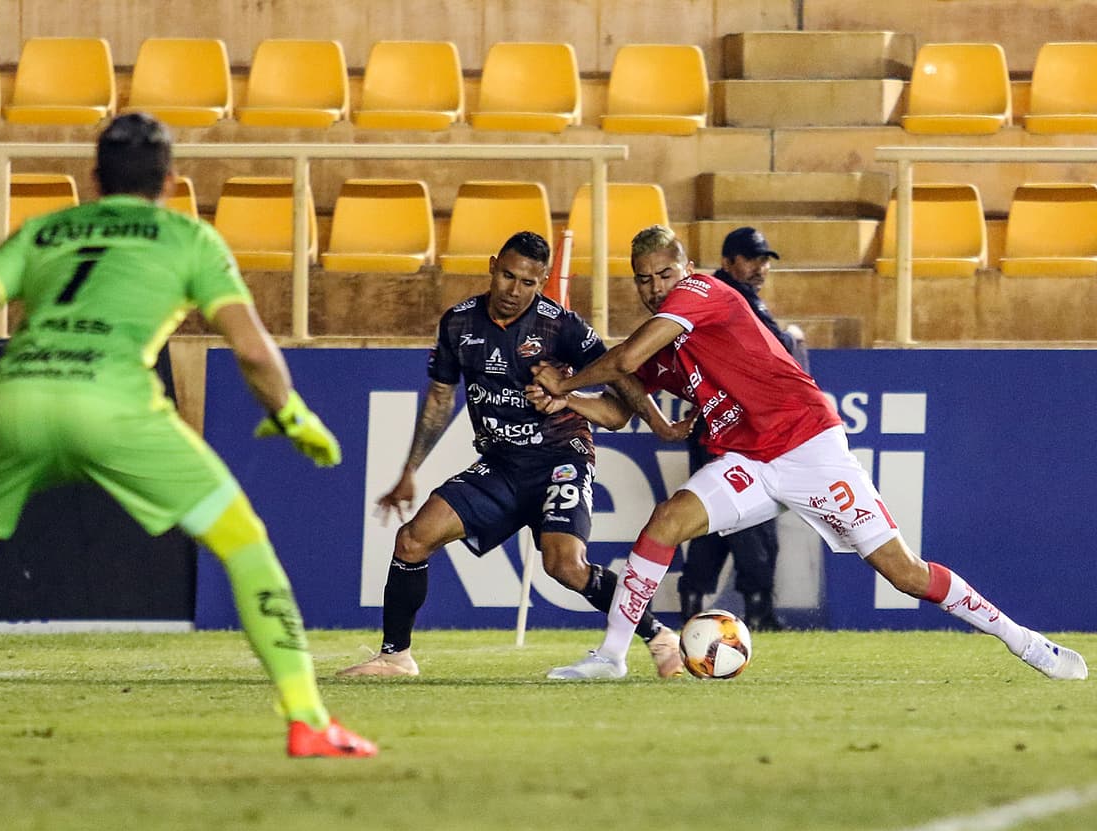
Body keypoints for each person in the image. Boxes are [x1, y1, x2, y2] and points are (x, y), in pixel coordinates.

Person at [0, 113, 377, 758]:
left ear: (94, 177)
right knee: (242, 540)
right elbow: (253, 352)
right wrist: (290, 415)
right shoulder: (189, 238)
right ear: (171, 180)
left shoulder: (47, 230)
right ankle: (308, 720)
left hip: (18, 397)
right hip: (113, 406)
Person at [535, 224, 1088, 681]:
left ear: (685, 268)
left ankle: (1028, 643)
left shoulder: (701, 292)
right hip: (749, 461)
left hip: (808, 447)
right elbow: (618, 405)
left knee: (904, 573)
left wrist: (565, 383)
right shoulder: (665, 340)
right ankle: (611, 656)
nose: (655, 287)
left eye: (664, 273)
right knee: (666, 521)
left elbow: (626, 357)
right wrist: (567, 396)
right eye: (643, 280)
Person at [337, 231, 684, 679]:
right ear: (491, 266)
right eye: (507, 276)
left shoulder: (563, 326)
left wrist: (648, 420)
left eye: (527, 283)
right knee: (411, 539)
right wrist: (410, 470)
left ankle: (659, 635)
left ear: (541, 283)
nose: (513, 291)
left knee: (565, 566)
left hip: (561, 457)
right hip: (500, 465)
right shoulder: (458, 323)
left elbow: (620, 383)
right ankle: (395, 656)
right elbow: (441, 398)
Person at [678, 227, 806, 631]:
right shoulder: (727, 297)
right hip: (730, 432)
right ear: (730, 261)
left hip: (723, 429)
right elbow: (771, 349)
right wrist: (790, 338)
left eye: (766, 259)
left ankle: (694, 607)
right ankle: (758, 611)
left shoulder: (728, 296)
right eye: (753, 259)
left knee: (711, 519)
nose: (762, 267)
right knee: (751, 520)